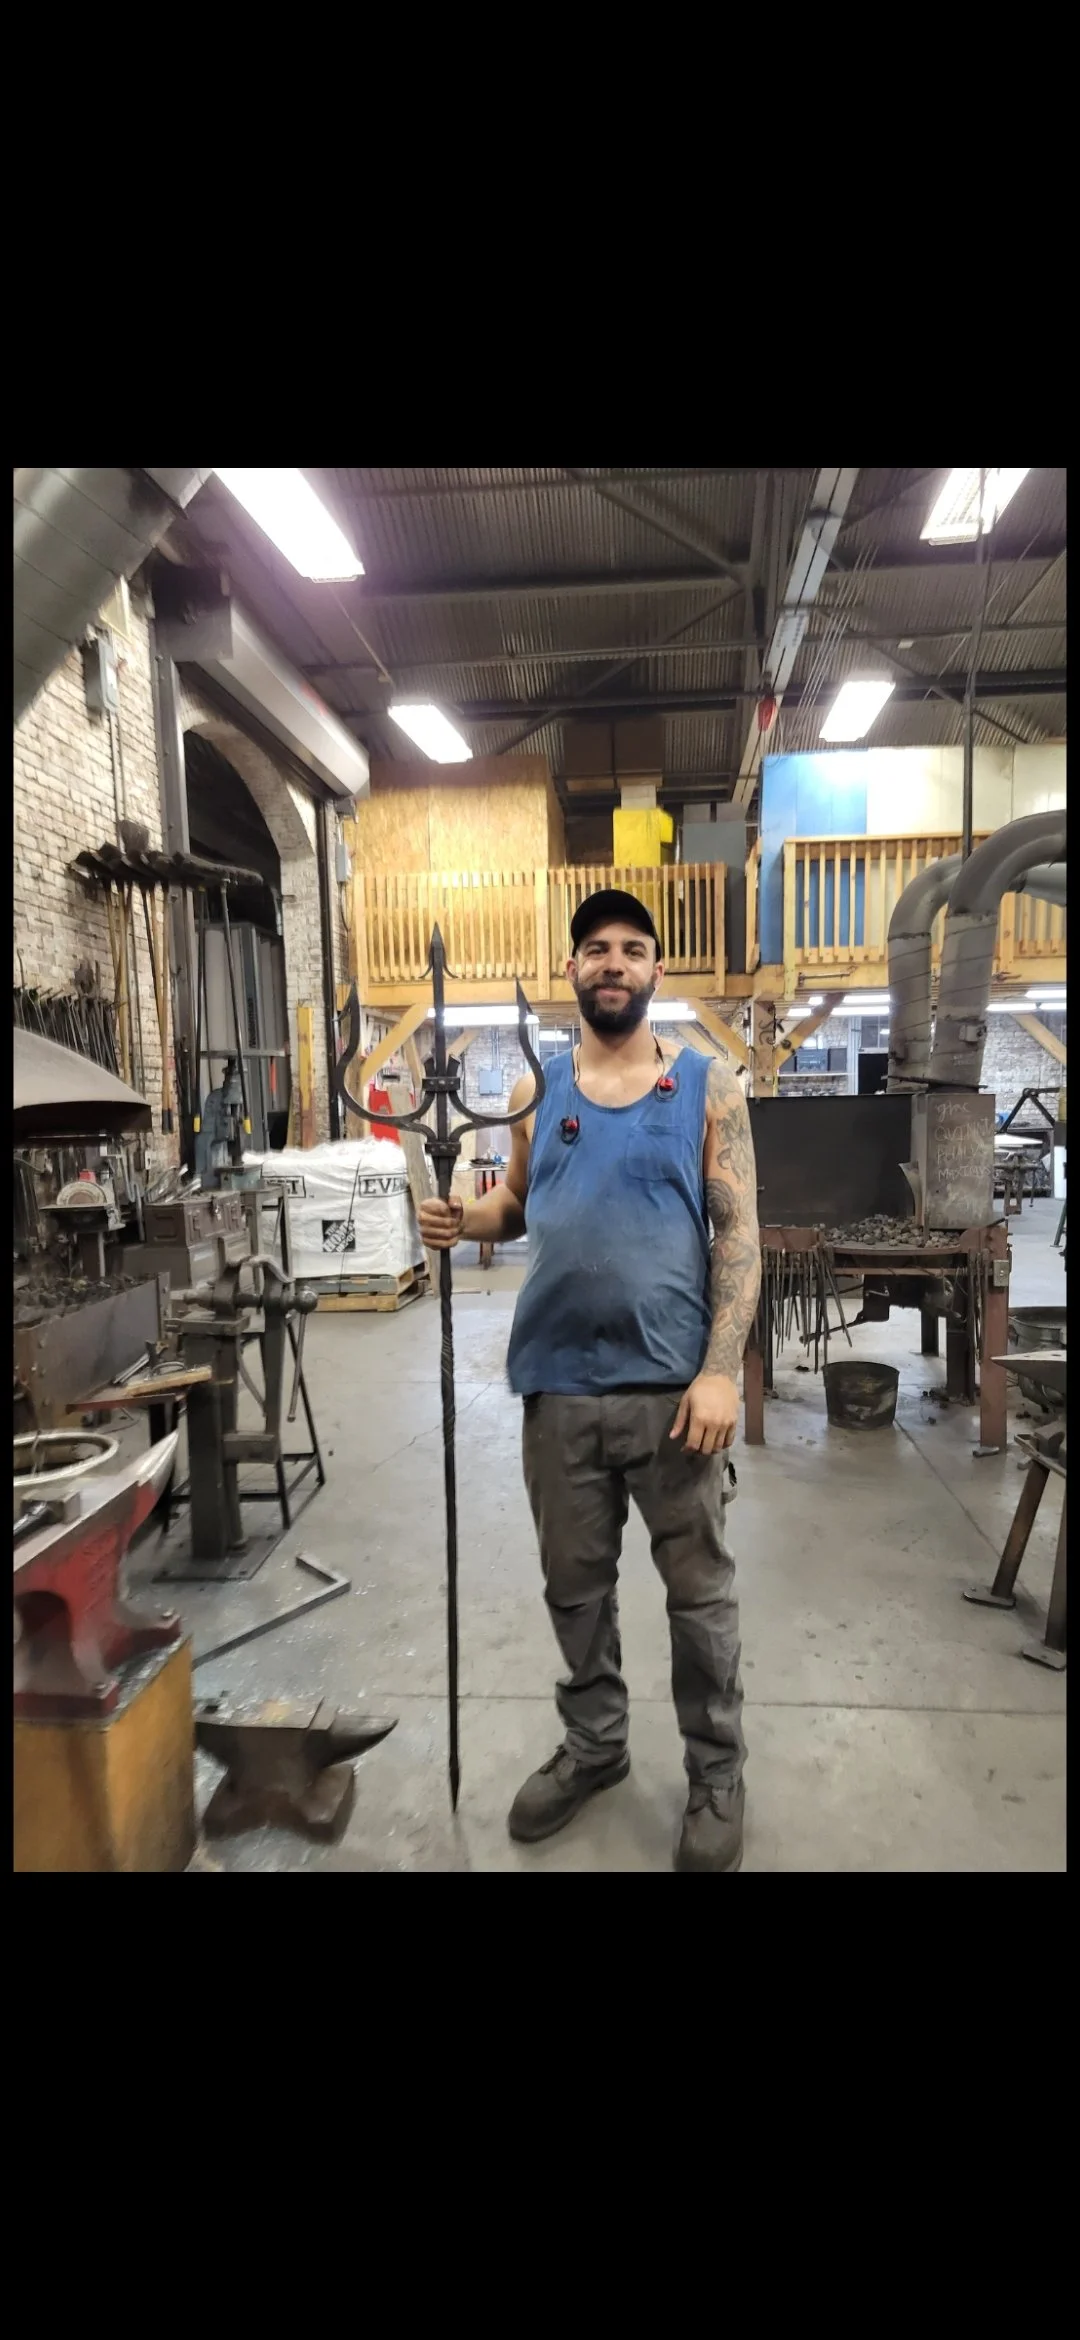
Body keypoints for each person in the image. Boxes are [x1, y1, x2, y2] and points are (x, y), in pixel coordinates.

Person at [418, 889, 761, 1873]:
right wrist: (466, 1219)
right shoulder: (543, 1088)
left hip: (672, 1396)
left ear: (656, 971)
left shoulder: (706, 1086)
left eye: (633, 949)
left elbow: (739, 1236)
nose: (614, 963)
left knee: (698, 1599)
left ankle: (717, 1774)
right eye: (597, 949)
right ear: (572, 969)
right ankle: (597, 1745)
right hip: (558, 1386)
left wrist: (721, 1374)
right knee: (574, 1588)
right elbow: (520, 1202)